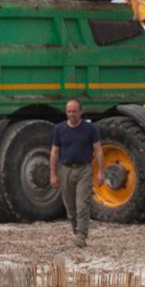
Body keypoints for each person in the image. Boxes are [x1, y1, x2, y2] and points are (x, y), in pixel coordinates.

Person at [48, 99, 102, 248]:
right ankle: (77, 230)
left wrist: (101, 172)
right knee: (71, 208)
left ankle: (81, 236)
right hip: (65, 170)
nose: (71, 114)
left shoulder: (90, 129)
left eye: (74, 111)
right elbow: (54, 152)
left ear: (80, 112)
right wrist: (53, 174)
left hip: (84, 169)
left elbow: (98, 149)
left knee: (82, 205)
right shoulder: (59, 129)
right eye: (69, 111)